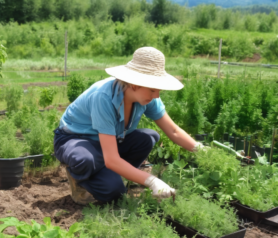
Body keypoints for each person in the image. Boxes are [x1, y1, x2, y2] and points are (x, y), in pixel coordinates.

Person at [54, 47, 202, 205]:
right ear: (134, 84)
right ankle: (80, 181)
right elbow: (111, 159)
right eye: (153, 89)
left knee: (148, 137)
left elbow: (173, 130)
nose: (157, 95)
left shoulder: (148, 98)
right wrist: (152, 181)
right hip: (77, 141)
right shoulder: (103, 97)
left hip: (108, 144)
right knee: (98, 174)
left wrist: (202, 150)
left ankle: (113, 176)